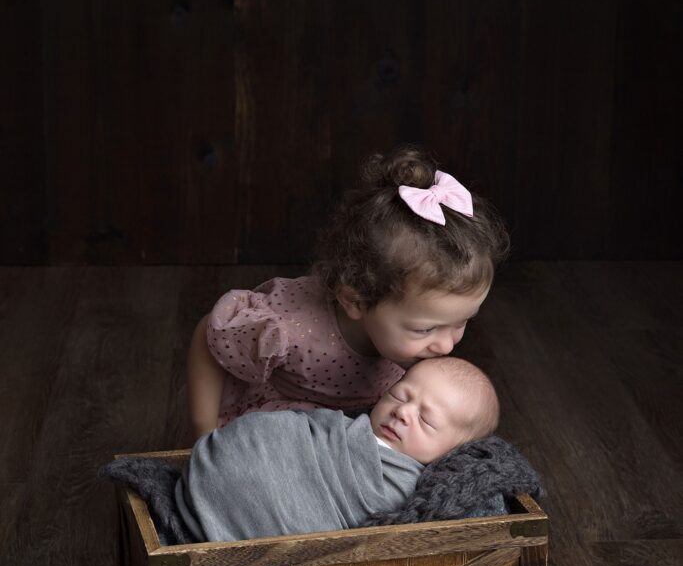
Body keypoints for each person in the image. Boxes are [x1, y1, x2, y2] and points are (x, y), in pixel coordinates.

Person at [186, 144, 509, 440]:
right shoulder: (287, 328)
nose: (446, 344)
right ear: (354, 300)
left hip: (364, 427)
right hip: (280, 429)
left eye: (462, 322)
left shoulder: (414, 335)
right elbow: (208, 337)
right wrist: (204, 429)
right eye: (426, 329)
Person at [176, 356, 500, 543]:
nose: (403, 412)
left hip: (254, 501)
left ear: (455, 452)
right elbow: (301, 427)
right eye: (400, 396)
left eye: (426, 420)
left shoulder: (406, 485)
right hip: (229, 457)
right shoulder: (346, 427)